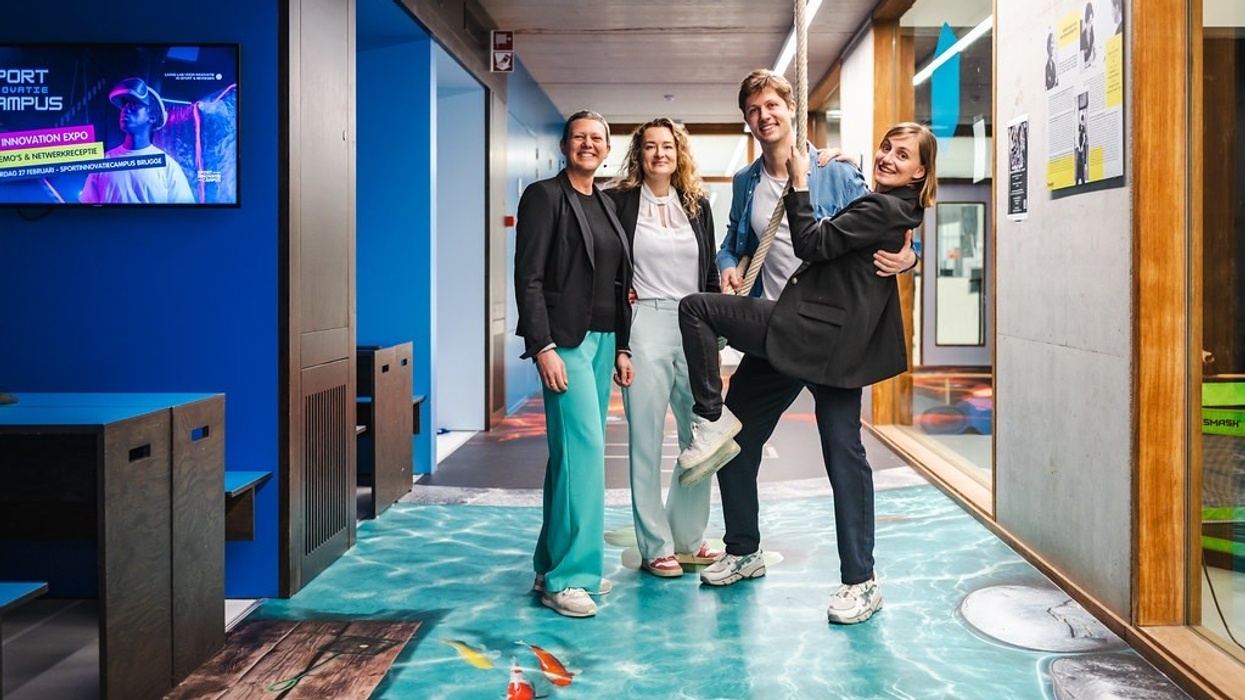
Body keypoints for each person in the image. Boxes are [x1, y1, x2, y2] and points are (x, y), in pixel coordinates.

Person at [677, 122, 938, 625]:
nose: (888, 157)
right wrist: (856, 159)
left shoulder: (877, 201)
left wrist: (799, 184)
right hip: (804, 334)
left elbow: (815, 244)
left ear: (920, 171)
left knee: (697, 312)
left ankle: (861, 582)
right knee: (742, 438)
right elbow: (866, 220)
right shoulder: (865, 191)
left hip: (810, 332)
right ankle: (747, 550)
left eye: (901, 155)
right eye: (885, 147)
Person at [679, 68, 915, 489]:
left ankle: (858, 560)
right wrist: (730, 263)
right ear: (747, 121)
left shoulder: (836, 171)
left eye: (771, 105)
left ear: (791, 108)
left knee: (844, 454)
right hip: (773, 324)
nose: (764, 116)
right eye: (753, 110)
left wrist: (911, 257)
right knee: (737, 445)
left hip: (829, 337)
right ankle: (743, 551)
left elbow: (889, 229)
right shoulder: (746, 181)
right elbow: (734, 241)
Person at [515, 109, 635, 618]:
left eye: (598, 139)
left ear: (607, 149)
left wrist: (623, 347)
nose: (589, 144)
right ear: (564, 145)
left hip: (605, 339)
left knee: (570, 456)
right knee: (584, 454)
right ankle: (570, 578)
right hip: (564, 342)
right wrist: (541, 347)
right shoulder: (544, 197)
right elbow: (529, 277)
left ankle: (549, 563)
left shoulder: (605, 203)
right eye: (579, 137)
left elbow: (618, 282)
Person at [605, 117, 724, 578]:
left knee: (700, 438)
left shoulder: (698, 205)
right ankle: (655, 544)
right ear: (639, 154)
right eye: (651, 146)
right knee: (646, 442)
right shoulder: (618, 203)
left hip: (694, 323)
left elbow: (710, 271)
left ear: (680, 154)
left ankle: (689, 538)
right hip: (644, 325)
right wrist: (621, 341)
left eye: (668, 146)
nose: (660, 154)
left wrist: (715, 334)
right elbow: (612, 275)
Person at [80, 77, 194, 204]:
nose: (125, 110)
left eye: (133, 105)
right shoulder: (102, 163)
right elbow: (87, 211)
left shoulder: (168, 167)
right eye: (124, 105)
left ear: (152, 117)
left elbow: (183, 215)